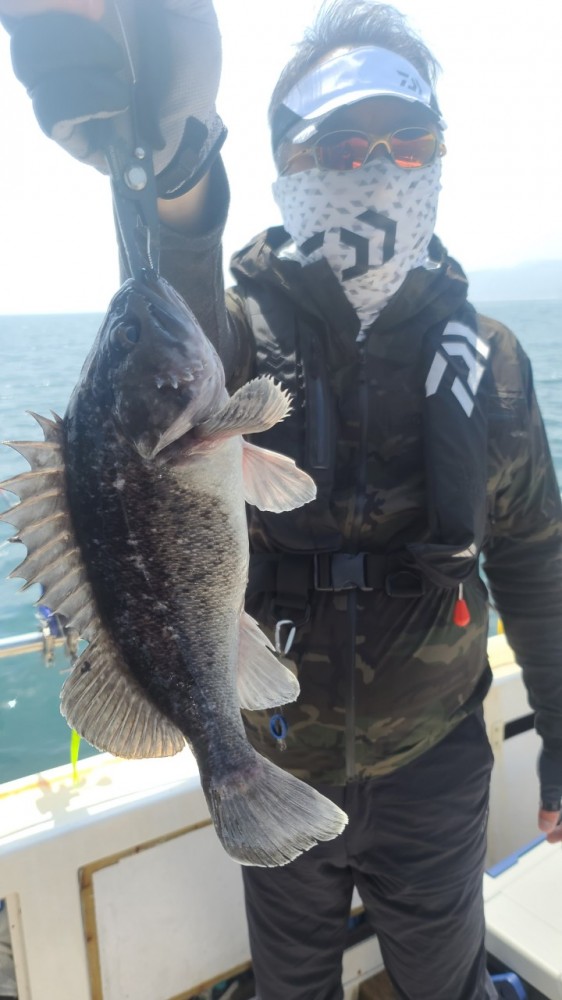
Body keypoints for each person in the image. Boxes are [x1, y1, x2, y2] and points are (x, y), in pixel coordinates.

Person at [2, 2, 562, 998]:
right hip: (272, 747)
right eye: (339, 143)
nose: (376, 167)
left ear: (442, 155)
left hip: (436, 757)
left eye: (408, 140)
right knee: (291, 984)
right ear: (285, 165)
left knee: (446, 981)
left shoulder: (492, 359)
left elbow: (534, 563)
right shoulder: (231, 340)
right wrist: (176, 172)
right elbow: (179, 296)